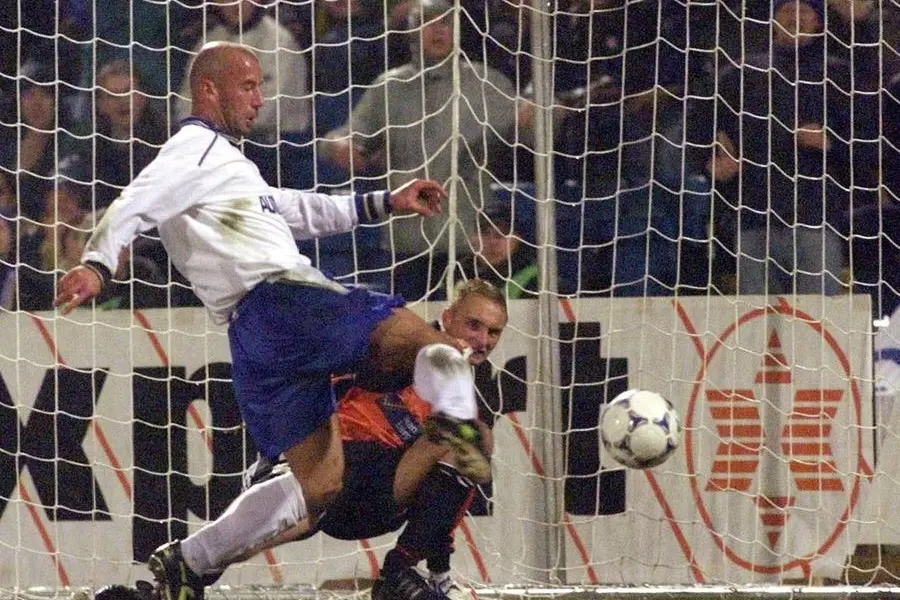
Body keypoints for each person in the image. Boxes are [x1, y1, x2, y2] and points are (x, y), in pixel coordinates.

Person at [53, 41, 490, 600]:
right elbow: (133, 203)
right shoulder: (192, 149)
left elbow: (296, 209)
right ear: (208, 89)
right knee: (427, 343)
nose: (260, 99)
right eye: (248, 86)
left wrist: (385, 201)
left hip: (254, 335)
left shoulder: (226, 165)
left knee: (319, 485)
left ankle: (188, 562)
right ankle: (457, 421)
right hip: (285, 301)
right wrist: (96, 263)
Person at [242, 279, 508, 600]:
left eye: (493, 332)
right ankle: (192, 564)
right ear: (448, 318)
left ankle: (402, 573)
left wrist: (440, 569)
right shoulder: (406, 347)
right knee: (239, 539)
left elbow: (443, 500)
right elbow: (319, 382)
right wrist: (274, 455)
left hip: (379, 497)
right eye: (474, 325)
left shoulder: (452, 381)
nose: (482, 340)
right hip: (336, 480)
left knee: (469, 439)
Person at [318, 0, 521, 302]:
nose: (438, 31)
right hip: (407, 242)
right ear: (412, 31)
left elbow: (529, 127)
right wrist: (337, 146)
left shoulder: (486, 83)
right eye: (428, 22)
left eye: (446, 23)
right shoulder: (389, 87)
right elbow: (346, 135)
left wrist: (544, 113)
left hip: (468, 242)